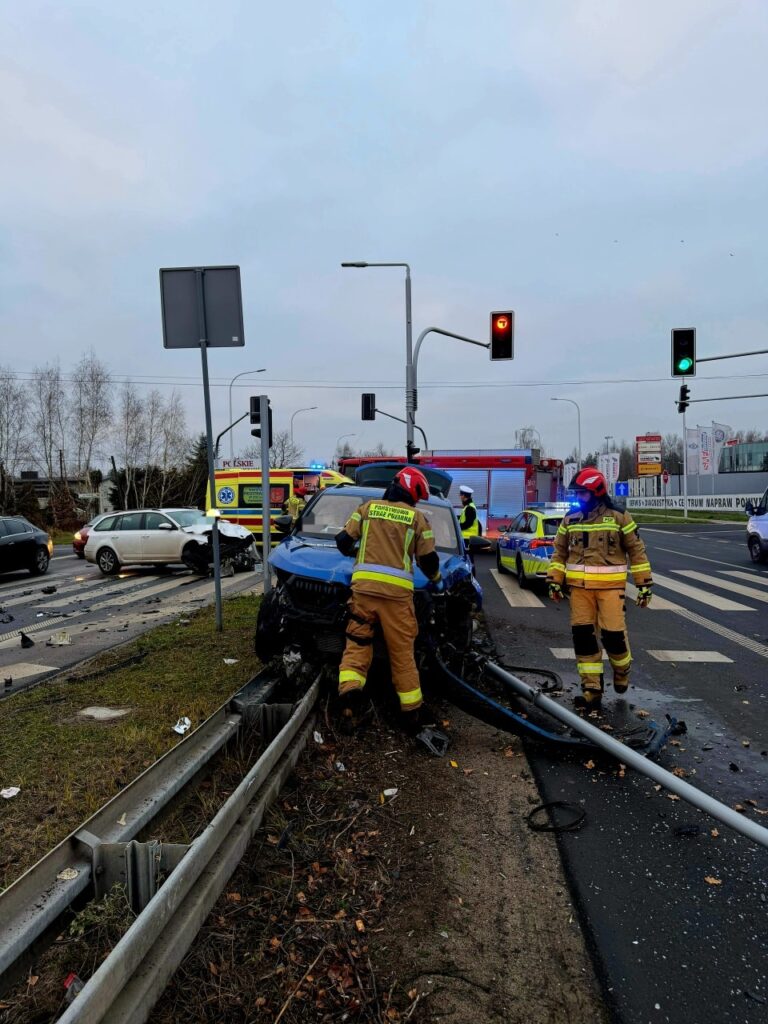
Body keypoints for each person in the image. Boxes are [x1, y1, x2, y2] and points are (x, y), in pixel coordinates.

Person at [335, 466, 443, 733]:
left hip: (363, 593)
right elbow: (428, 560)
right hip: (396, 599)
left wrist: (362, 551)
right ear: (411, 492)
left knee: (357, 643)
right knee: (402, 654)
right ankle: (411, 713)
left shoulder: (368, 509)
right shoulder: (417, 519)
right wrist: (437, 579)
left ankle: (350, 699)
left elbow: (343, 541)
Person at [547, 467, 653, 709]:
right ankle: (591, 688)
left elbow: (637, 552)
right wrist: (554, 579)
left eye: (582, 494)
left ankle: (622, 670)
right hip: (580, 590)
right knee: (584, 639)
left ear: (597, 492)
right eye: (576, 494)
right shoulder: (570, 519)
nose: (578, 499)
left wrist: (644, 585)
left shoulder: (619, 517)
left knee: (614, 637)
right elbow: (559, 552)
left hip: (610, 590)